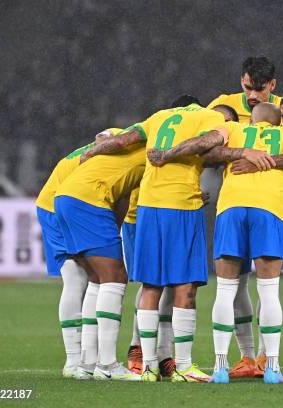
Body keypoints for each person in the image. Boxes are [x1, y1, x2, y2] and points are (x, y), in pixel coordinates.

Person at [83, 97, 234, 383]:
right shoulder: (210, 117)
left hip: (148, 207)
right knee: (185, 286)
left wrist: (92, 152)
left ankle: (149, 366)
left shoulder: (159, 116)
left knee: (151, 286)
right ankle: (185, 366)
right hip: (181, 204)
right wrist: (170, 155)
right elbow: (207, 142)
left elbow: (125, 140)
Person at [203, 102, 283, 384]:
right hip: (268, 210)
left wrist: (240, 153)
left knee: (224, 290)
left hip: (231, 209)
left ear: (252, 120)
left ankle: (220, 368)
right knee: (269, 291)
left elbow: (207, 148)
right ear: (277, 121)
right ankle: (271, 368)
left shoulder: (234, 128)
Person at [53, 126, 146, 381]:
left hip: (66, 197)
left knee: (96, 279)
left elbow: (123, 196)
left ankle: (86, 363)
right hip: (89, 200)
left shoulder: (127, 151)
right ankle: (107, 364)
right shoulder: (151, 148)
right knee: (115, 277)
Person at [35, 128, 117, 378]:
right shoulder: (124, 145)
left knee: (85, 278)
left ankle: (82, 359)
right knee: (77, 278)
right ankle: (74, 359)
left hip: (58, 202)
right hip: (57, 206)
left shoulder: (114, 140)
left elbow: (101, 136)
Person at [207, 57, 282, 124]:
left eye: (259, 89)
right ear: (242, 81)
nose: (253, 95)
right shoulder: (222, 104)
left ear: (272, 84)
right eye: (248, 88)